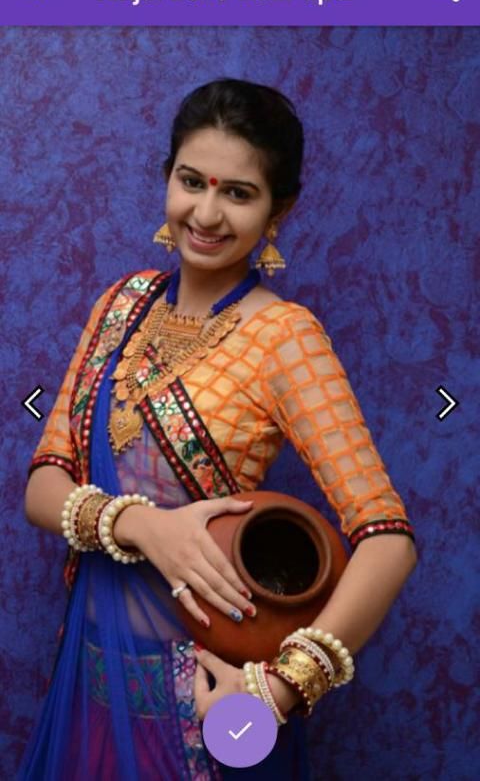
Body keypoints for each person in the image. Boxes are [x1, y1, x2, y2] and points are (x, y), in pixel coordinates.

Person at [19, 79, 417, 781]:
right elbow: (45, 483)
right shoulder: (121, 305)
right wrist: (143, 526)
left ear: (278, 210)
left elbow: (388, 539)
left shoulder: (284, 337)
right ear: (167, 178)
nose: (206, 213)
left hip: (200, 704)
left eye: (238, 193)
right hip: (87, 679)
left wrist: (281, 689)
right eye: (191, 181)